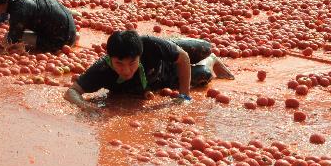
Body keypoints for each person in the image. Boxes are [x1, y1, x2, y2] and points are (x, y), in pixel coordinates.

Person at [64, 30, 234, 111]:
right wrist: (84, 105)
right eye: (119, 64)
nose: (126, 70)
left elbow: (183, 58)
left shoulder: (150, 45)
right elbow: (72, 91)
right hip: (161, 80)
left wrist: (184, 96)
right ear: (110, 58)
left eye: (132, 63)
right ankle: (210, 62)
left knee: (204, 48)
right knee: (204, 75)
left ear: (140, 55)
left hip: (164, 60)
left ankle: (210, 56)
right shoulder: (102, 68)